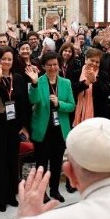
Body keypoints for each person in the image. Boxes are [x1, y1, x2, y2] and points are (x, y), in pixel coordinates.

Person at [0, 47, 30, 212]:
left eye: (9, 59)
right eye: (4, 59)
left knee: (11, 161)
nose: (7, 62)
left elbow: (23, 102)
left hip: (13, 123)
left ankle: (11, 194)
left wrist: (23, 126)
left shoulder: (17, 78)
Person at [26, 51, 75, 202]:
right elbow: (33, 100)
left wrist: (59, 104)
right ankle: (42, 192)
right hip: (43, 129)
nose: (53, 68)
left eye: (55, 65)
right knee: (42, 163)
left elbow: (72, 106)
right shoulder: (38, 81)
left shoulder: (66, 83)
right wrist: (34, 84)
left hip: (60, 129)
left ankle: (54, 190)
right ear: (43, 66)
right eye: (49, 65)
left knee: (56, 162)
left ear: (59, 66)